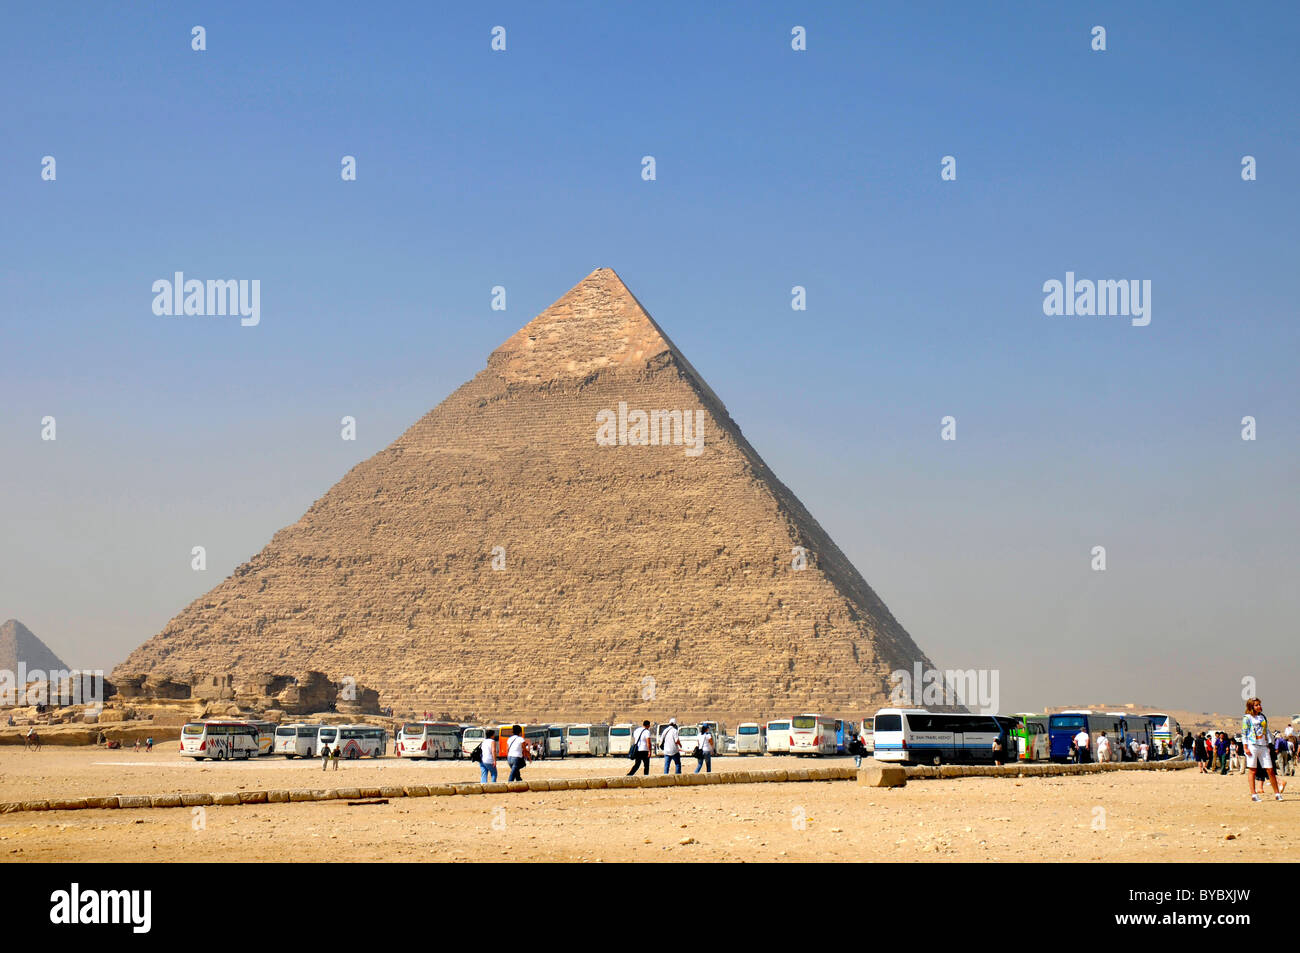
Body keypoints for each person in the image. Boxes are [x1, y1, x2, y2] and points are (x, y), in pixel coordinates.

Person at [1243, 698, 1283, 801]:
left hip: (1263, 745)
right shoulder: (1247, 718)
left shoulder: (1262, 717)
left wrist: (1269, 744)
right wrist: (1246, 747)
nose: (1259, 706)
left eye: (1259, 704)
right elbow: (1244, 733)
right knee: (1253, 769)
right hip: (1252, 745)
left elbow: (1266, 731)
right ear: (1251, 707)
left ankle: (1277, 793)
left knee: (1270, 769)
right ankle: (1254, 794)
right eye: (1256, 705)